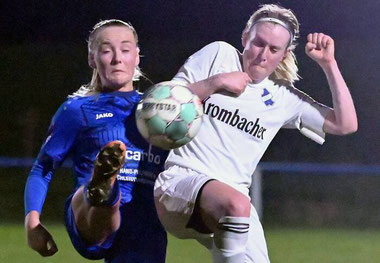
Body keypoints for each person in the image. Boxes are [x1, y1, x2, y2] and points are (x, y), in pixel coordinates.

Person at [154, 4, 357, 263]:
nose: (263, 55)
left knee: (240, 209)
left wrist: (329, 64)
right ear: (244, 38)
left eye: (274, 49)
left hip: (233, 205)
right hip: (180, 184)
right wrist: (215, 83)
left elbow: (346, 124)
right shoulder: (218, 55)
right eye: (259, 43)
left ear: (284, 55)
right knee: (238, 205)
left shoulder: (283, 97)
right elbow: (164, 103)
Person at [24, 19, 168, 263]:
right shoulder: (77, 110)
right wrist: (32, 222)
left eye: (125, 49)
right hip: (87, 216)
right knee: (102, 197)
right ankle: (103, 185)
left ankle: (106, 188)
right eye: (106, 50)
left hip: (142, 221)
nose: (117, 58)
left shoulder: (161, 111)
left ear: (137, 57)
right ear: (92, 58)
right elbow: (43, 168)